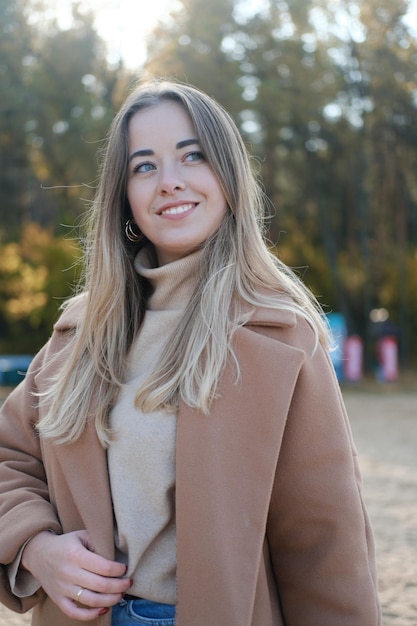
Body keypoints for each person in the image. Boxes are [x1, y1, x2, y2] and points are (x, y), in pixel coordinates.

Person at [0, 78, 381, 626]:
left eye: (192, 156)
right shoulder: (79, 335)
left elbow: (325, 543)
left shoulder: (280, 337)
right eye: (144, 166)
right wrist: (37, 548)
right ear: (124, 194)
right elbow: (9, 459)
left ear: (228, 176)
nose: (170, 183)